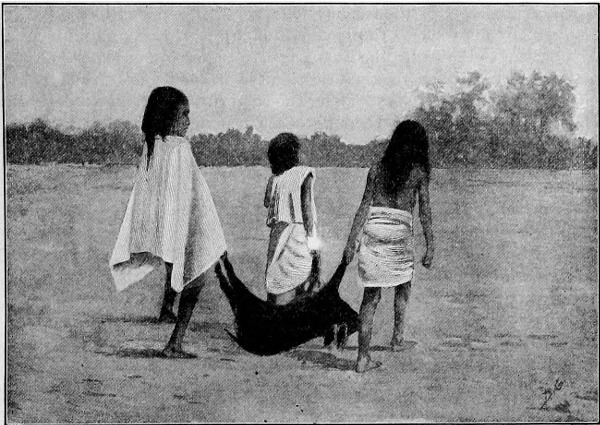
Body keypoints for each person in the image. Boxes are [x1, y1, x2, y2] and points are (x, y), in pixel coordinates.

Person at [110, 86, 227, 358]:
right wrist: (205, 227)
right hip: (179, 223)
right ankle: (175, 343)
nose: (189, 121)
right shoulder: (179, 148)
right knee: (196, 274)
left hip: (163, 224)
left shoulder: (153, 145)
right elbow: (192, 193)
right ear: (169, 116)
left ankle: (166, 309)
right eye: (184, 114)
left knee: (175, 263)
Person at [343, 120, 434, 373]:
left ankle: (362, 357)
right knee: (403, 286)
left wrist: (350, 243)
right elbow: (424, 213)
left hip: (374, 230)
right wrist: (431, 245)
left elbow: (363, 207)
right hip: (400, 233)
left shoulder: (376, 169)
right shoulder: (418, 173)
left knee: (370, 298)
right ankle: (397, 339)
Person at [264, 133, 321, 305]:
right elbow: (308, 216)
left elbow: (267, 203)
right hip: (298, 238)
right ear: (294, 153)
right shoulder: (304, 174)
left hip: (278, 237)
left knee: (276, 286)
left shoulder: (274, 179)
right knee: (303, 286)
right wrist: (315, 249)